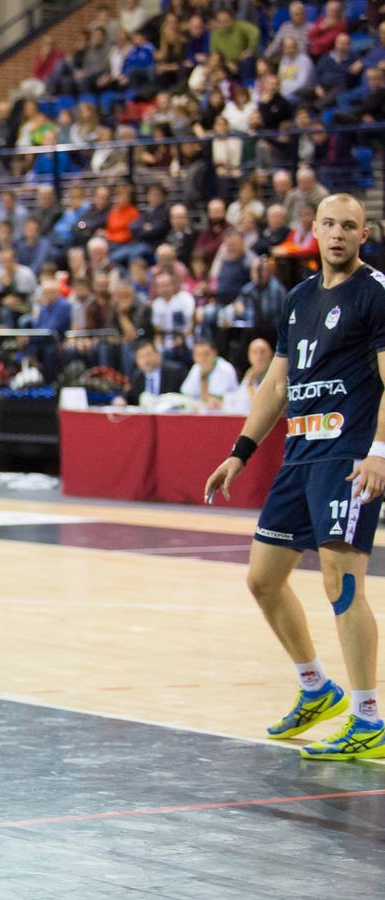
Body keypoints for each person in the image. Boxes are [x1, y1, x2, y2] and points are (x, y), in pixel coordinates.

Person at [205, 194, 385, 760]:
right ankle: (316, 687)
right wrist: (241, 450)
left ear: (363, 235)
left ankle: (367, 715)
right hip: (299, 453)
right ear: (314, 230)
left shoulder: (375, 292)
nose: (337, 234)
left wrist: (379, 450)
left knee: (342, 578)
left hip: (348, 453)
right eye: (329, 224)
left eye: (349, 227)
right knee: (262, 578)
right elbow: (276, 386)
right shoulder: (299, 297)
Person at [121, 338, 188, 405]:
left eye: (148, 355)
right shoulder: (137, 377)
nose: (145, 360)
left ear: (158, 355)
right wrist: (120, 400)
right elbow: (130, 398)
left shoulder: (176, 372)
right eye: (141, 357)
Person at [180, 338, 240, 407]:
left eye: (206, 354)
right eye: (198, 355)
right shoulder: (196, 368)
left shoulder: (225, 369)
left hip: (226, 412)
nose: (202, 359)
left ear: (214, 353)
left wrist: (203, 377)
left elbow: (211, 401)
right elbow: (186, 395)